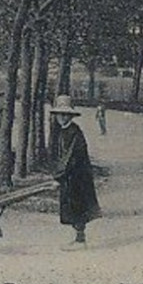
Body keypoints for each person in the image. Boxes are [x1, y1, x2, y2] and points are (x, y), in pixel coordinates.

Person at [51, 95, 100, 249]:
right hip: (70, 175)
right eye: (60, 114)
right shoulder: (63, 131)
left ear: (70, 115)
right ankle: (79, 238)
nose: (62, 117)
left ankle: (80, 240)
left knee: (77, 206)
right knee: (71, 206)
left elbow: (70, 157)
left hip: (77, 176)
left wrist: (58, 177)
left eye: (65, 114)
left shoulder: (74, 132)